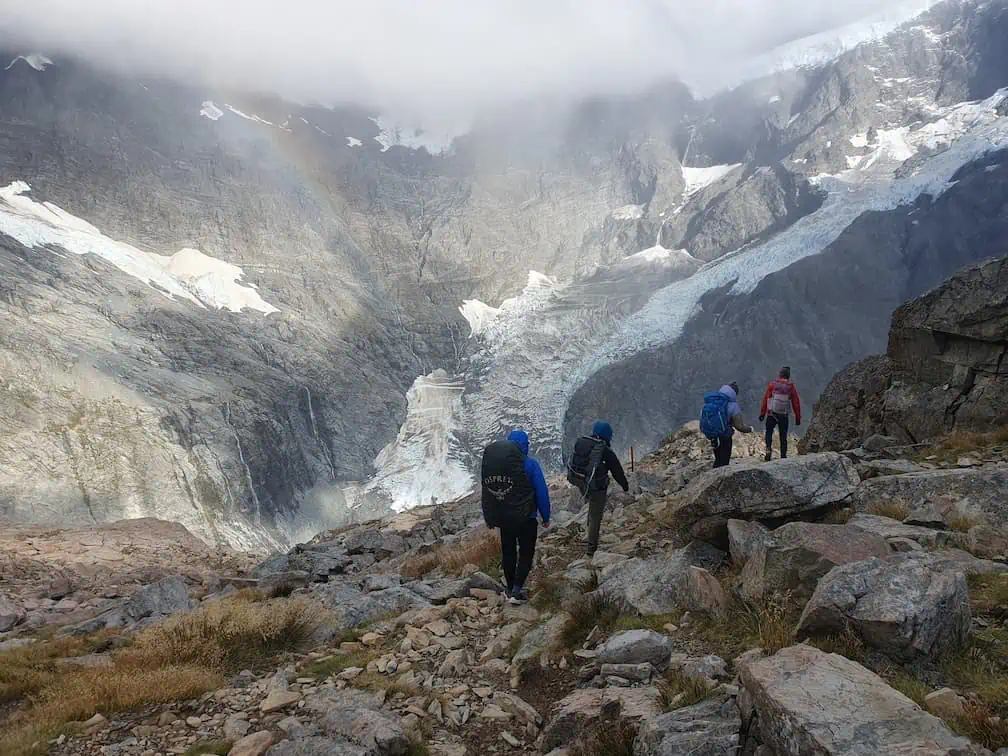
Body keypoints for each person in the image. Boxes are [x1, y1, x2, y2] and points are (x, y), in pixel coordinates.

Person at [480, 429, 550, 604]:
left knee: (508, 552)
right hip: (527, 517)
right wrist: (546, 515)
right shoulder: (531, 465)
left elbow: (487, 493)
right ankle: (517, 590)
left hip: (505, 518)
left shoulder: (498, 468)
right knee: (526, 552)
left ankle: (510, 587)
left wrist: (489, 518)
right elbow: (541, 492)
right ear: (525, 446)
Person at [566, 420, 629, 557]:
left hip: (580, 481)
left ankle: (588, 533)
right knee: (596, 515)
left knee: (591, 506)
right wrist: (625, 486)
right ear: (607, 434)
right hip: (596, 486)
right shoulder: (604, 450)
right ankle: (591, 549)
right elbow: (617, 471)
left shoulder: (583, 442)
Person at [700, 382, 754, 469]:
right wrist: (750, 429)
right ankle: (721, 477)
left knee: (718, 458)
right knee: (724, 461)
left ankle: (714, 473)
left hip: (713, 433)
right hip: (725, 435)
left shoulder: (711, 401)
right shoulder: (733, 406)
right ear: (734, 394)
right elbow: (739, 426)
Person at [759, 366, 802, 461]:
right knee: (783, 435)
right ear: (788, 376)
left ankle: (768, 449)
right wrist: (798, 418)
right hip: (784, 415)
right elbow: (796, 403)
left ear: (780, 374)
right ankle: (783, 455)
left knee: (769, 432)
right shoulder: (790, 387)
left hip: (772, 414)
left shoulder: (773, 385)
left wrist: (762, 413)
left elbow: (766, 399)